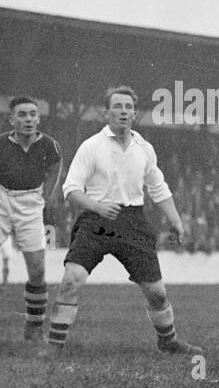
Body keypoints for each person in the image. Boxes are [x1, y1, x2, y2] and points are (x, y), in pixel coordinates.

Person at [40, 85, 202, 357]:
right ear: (106, 112)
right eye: (118, 106)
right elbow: (71, 189)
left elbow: (158, 188)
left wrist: (176, 220)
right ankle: (54, 346)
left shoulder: (144, 149)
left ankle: (168, 341)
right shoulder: (91, 146)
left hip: (133, 221)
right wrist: (97, 207)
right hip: (96, 219)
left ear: (134, 113)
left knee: (157, 293)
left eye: (128, 107)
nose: (123, 111)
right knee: (71, 279)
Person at [0, 96, 63, 340]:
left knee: (37, 269)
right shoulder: (1, 143)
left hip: (31, 203)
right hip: (2, 197)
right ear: (11, 119)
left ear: (38, 118)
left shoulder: (50, 145)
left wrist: (47, 196)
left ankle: (33, 327)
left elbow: (56, 167)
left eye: (32, 114)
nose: (28, 119)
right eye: (22, 114)